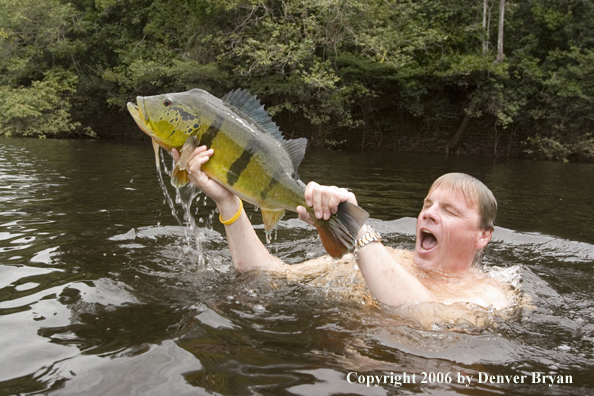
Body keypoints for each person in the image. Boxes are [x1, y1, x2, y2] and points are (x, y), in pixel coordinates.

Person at [173, 145, 513, 315]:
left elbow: (421, 315)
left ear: (483, 236)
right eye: (427, 205)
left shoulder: (495, 295)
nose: (429, 215)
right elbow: (268, 273)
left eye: (449, 211)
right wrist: (228, 203)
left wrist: (354, 228)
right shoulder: (384, 260)